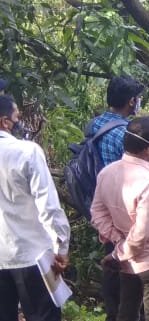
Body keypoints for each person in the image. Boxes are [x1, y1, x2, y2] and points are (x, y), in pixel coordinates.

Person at [91, 116, 149, 321]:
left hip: (129, 261)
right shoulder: (148, 182)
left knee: (127, 312)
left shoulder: (107, 173)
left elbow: (97, 214)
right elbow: (141, 233)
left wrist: (119, 244)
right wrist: (121, 250)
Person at [0, 95, 70, 321]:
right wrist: (61, 247)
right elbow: (48, 206)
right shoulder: (27, 152)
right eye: (18, 116)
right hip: (33, 256)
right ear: (5, 122)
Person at [88, 76, 146, 321]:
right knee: (130, 270)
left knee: (111, 262)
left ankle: (113, 314)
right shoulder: (124, 133)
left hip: (99, 205)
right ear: (132, 101)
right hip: (124, 211)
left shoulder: (95, 125)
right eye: (138, 99)